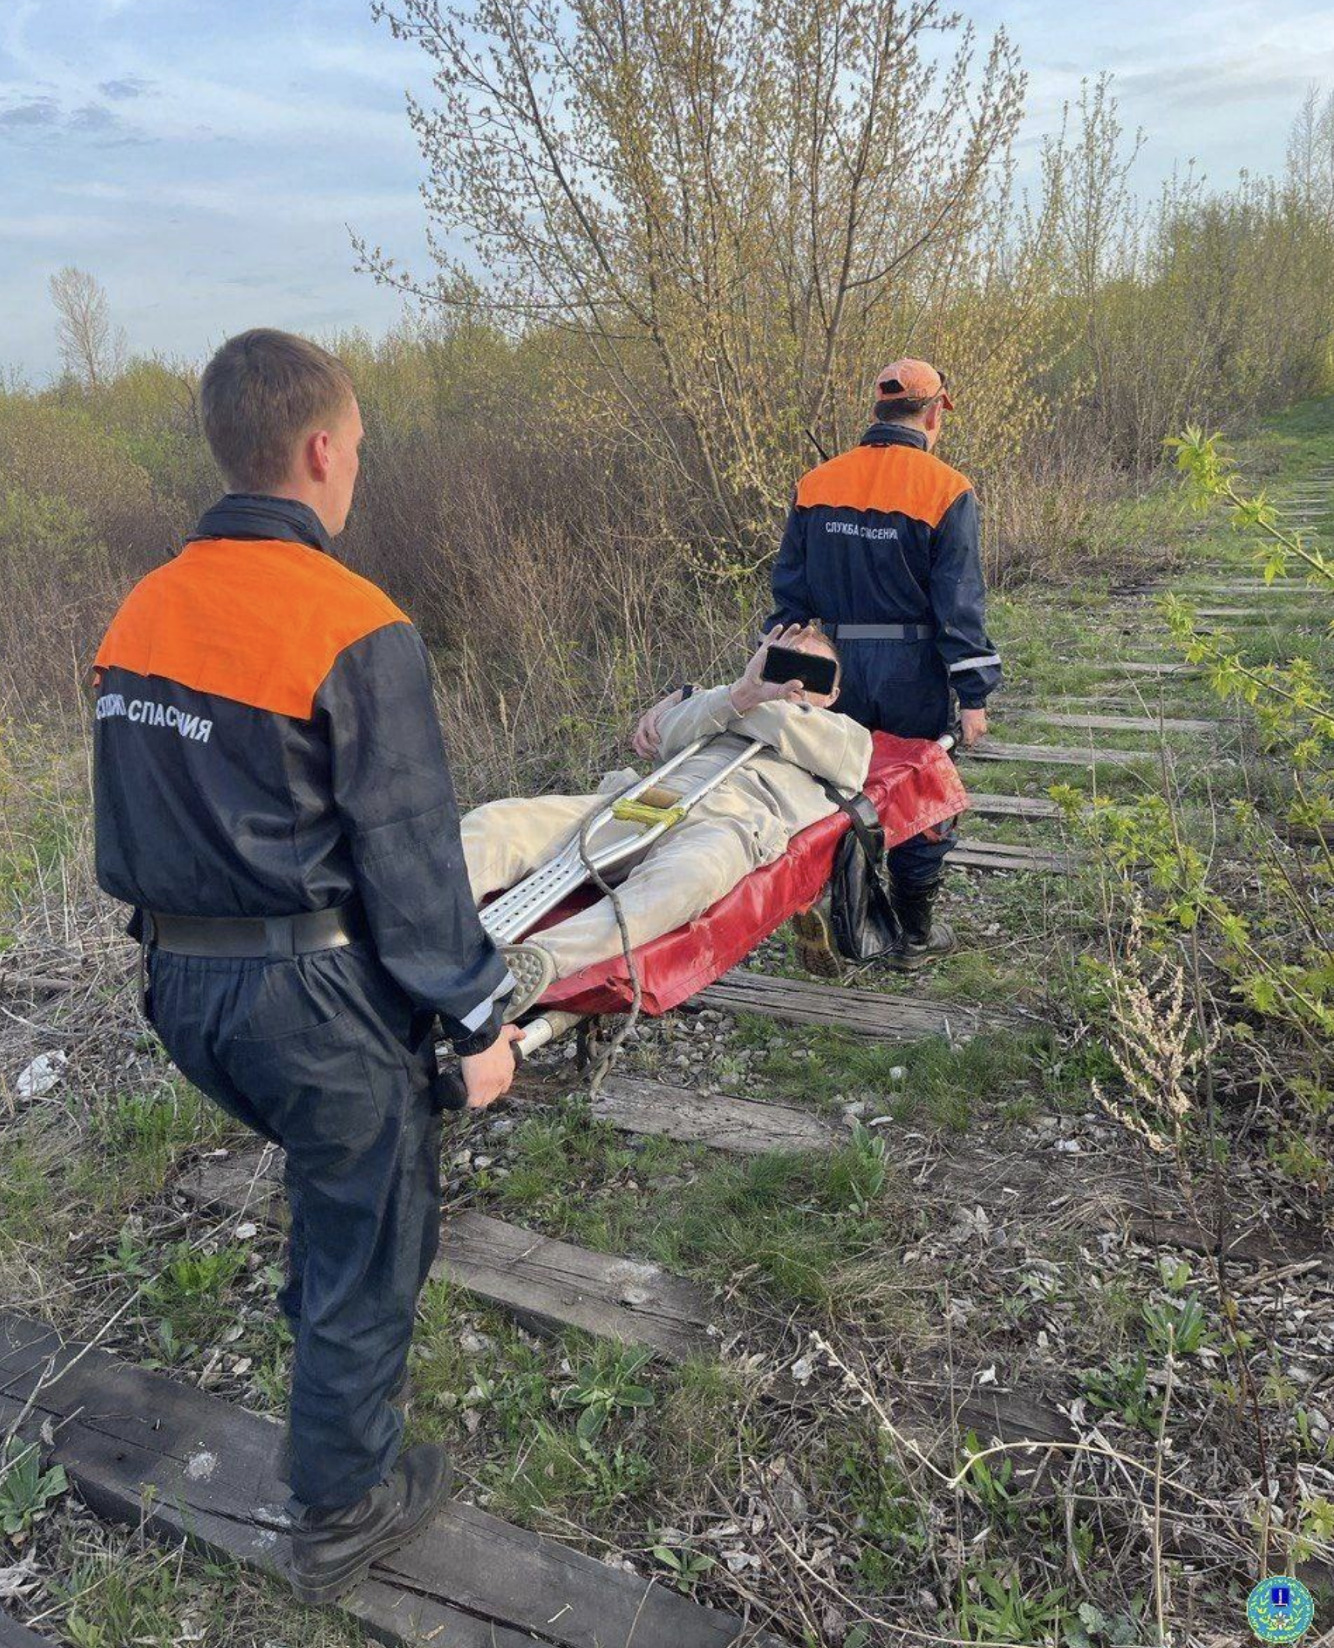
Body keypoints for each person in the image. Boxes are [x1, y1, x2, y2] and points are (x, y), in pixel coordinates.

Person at [92, 329, 523, 1606]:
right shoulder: (350, 621)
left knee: (334, 1187)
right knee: (374, 1222)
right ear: (322, 451)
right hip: (304, 996)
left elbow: (132, 827)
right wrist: (479, 1015)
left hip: (183, 990)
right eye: (360, 453)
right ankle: (341, 1507)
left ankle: (323, 1351)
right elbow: (409, 868)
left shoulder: (142, 607)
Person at [468, 626, 871, 1013]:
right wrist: (743, 693)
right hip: (644, 801)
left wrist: (734, 702)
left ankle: (537, 960)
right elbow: (663, 737)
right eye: (785, 665)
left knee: (688, 880)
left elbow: (798, 730)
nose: (796, 684)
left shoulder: (847, 734)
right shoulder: (733, 696)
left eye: (814, 675)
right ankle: (429, 924)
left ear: (833, 694)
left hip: (729, 820)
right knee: (499, 821)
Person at [761, 358, 1002, 969]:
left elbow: (789, 592)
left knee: (830, 784)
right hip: (909, 661)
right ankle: (913, 934)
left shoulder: (816, 482)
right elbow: (959, 602)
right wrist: (972, 693)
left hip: (829, 662)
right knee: (917, 786)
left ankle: (836, 908)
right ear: (931, 413)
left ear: (877, 412)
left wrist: (786, 665)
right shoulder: (946, 488)